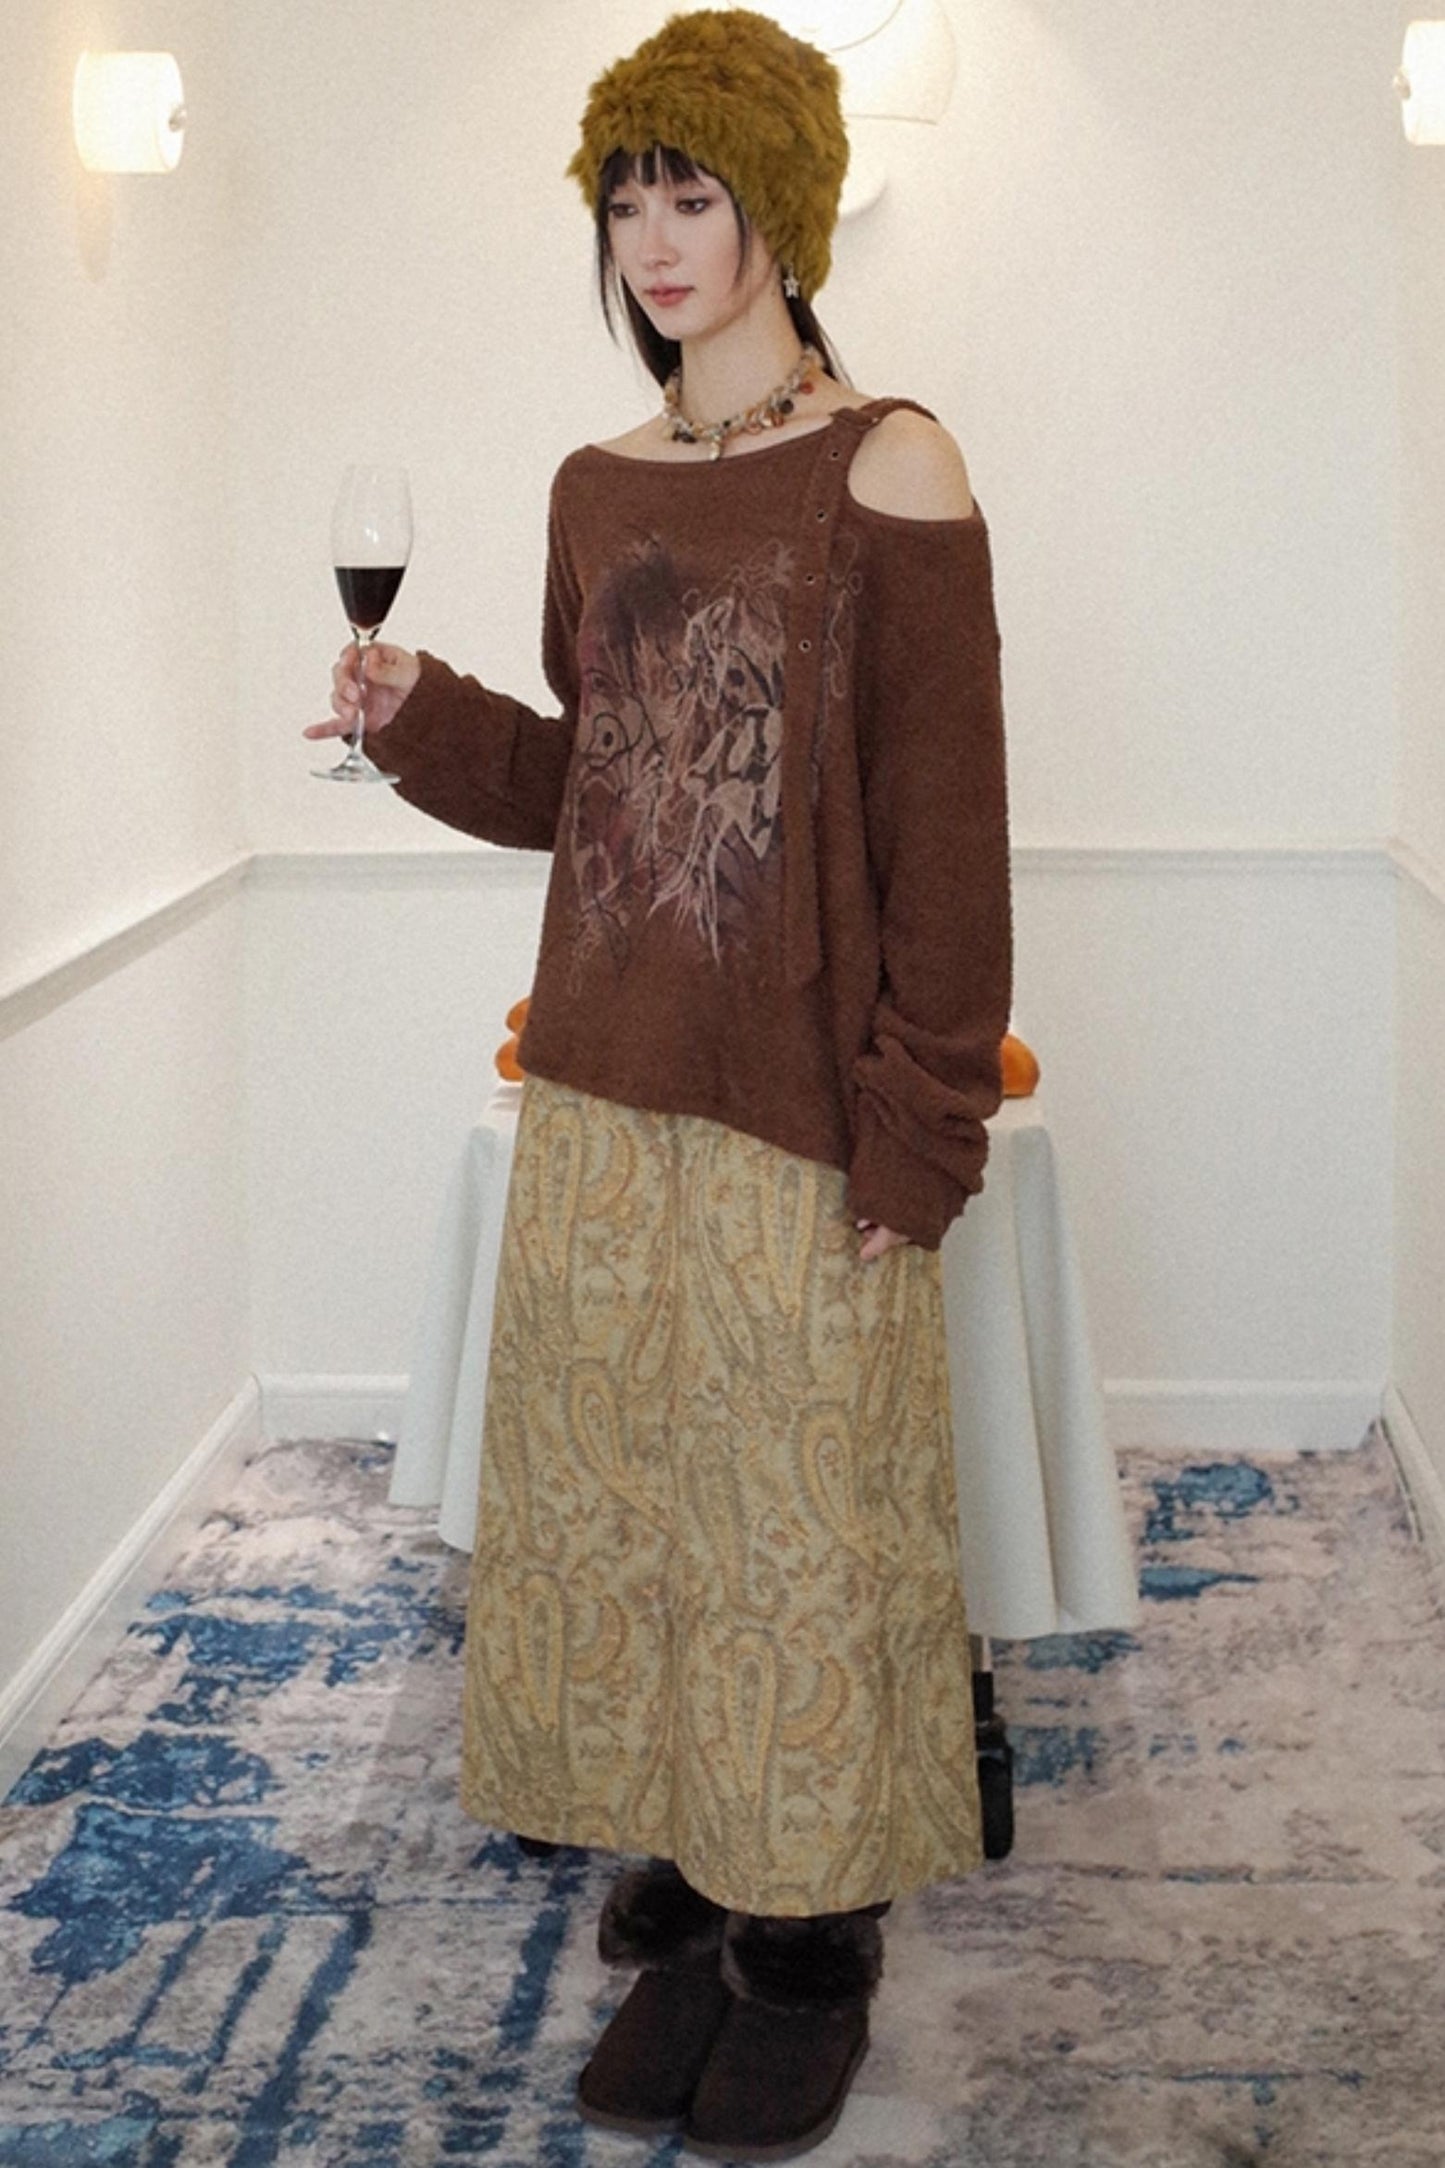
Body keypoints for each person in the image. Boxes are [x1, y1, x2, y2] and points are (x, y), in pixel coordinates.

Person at [305, 8, 1013, 2157]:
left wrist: (924, 1125)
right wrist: (420, 716)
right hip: (607, 1082)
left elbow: (943, 837)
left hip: (797, 1099)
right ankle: (705, 1874)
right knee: (641, 1517)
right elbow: (594, 791)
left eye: (693, 192)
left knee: (803, 1530)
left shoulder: (892, 464)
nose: (655, 237)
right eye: (626, 199)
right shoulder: (594, 484)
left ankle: (808, 1948)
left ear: (780, 204)